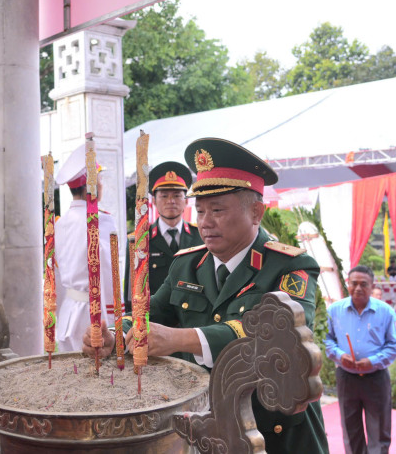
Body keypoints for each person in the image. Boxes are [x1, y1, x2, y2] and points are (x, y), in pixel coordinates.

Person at [85, 137, 328, 452]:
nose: (205, 222)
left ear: (256, 212)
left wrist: (180, 339)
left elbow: (276, 337)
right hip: (205, 426)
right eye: (199, 211)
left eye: (217, 210)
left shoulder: (290, 266)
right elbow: (151, 314)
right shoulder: (187, 265)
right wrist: (115, 335)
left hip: (274, 428)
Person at [324, 265, 396, 454]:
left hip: (375, 377)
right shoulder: (335, 310)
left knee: (379, 432)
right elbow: (326, 338)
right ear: (347, 284)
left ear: (372, 285)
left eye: (364, 284)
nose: (358, 288)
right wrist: (338, 355)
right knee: (351, 431)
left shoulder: (385, 312)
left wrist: (374, 360)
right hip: (346, 377)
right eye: (354, 283)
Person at [53, 143, 120, 352]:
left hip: (68, 311)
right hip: (94, 314)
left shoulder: (60, 223)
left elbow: (54, 273)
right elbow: (109, 272)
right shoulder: (102, 221)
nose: (102, 184)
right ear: (92, 185)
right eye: (99, 179)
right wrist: (114, 317)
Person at [123, 161, 202, 312]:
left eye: (177, 195)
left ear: (186, 201)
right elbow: (131, 292)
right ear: (154, 200)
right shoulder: (139, 240)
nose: (170, 201)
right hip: (154, 318)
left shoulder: (200, 236)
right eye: (164, 196)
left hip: (191, 319)